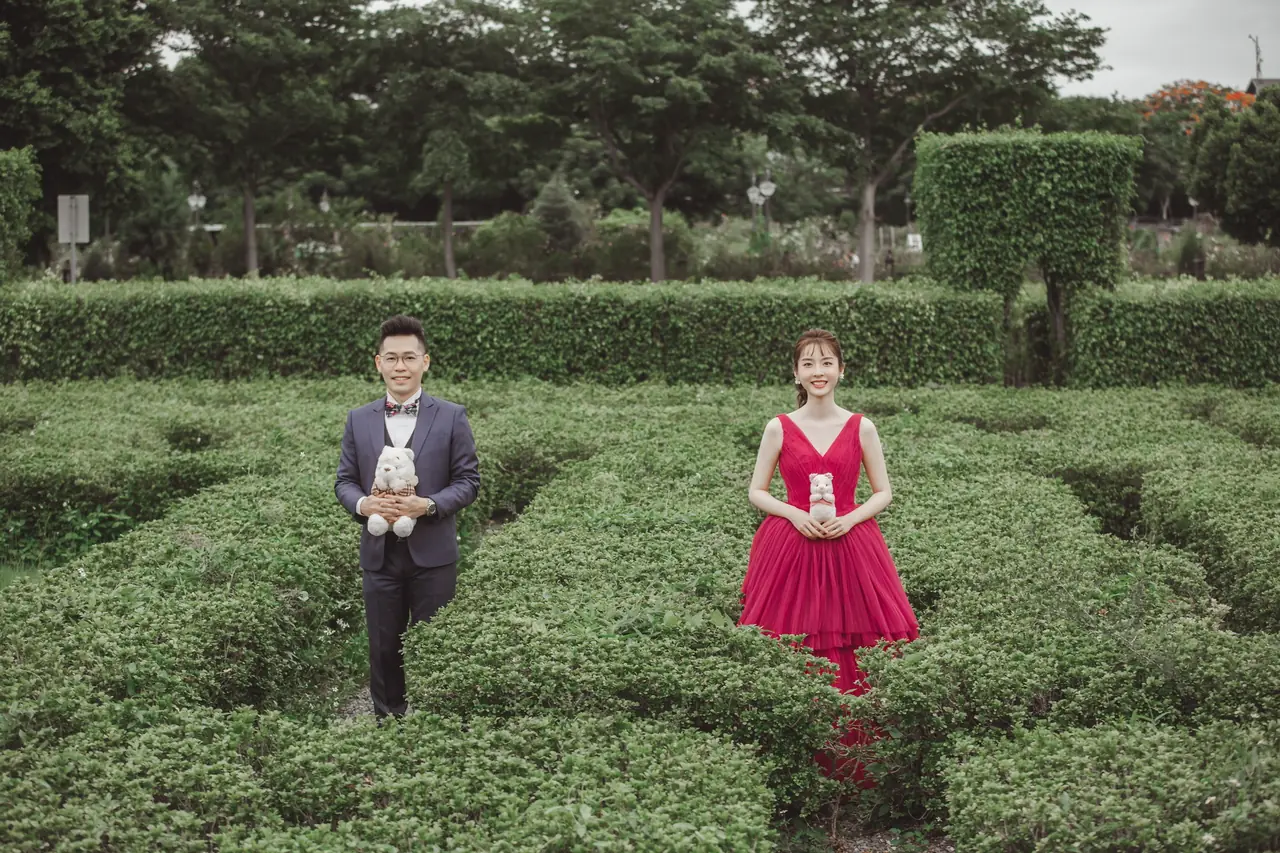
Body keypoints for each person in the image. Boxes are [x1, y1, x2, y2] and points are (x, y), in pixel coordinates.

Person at [740, 328, 919, 781]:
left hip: (851, 546)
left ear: (841, 370)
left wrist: (851, 519)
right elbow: (757, 491)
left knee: (861, 642)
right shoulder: (779, 426)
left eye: (826, 363)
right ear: (796, 373)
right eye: (808, 364)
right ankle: (795, 761)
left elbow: (883, 492)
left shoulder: (862, 426)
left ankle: (863, 760)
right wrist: (794, 514)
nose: (817, 372)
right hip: (791, 546)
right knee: (790, 639)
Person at [335, 315, 480, 719]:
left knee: (436, 645)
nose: (401, 366)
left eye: (409, 358)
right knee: (383, 649)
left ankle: (438, 727)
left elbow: (468, 481)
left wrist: (428, 504)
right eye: (392, 358)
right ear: (378, 363)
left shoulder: (452, 416)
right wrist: (364, 505)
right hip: (379, 554)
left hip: (433, 555)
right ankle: (389, 727)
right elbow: (344, 481)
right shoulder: (358, 418)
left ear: (425, 362)